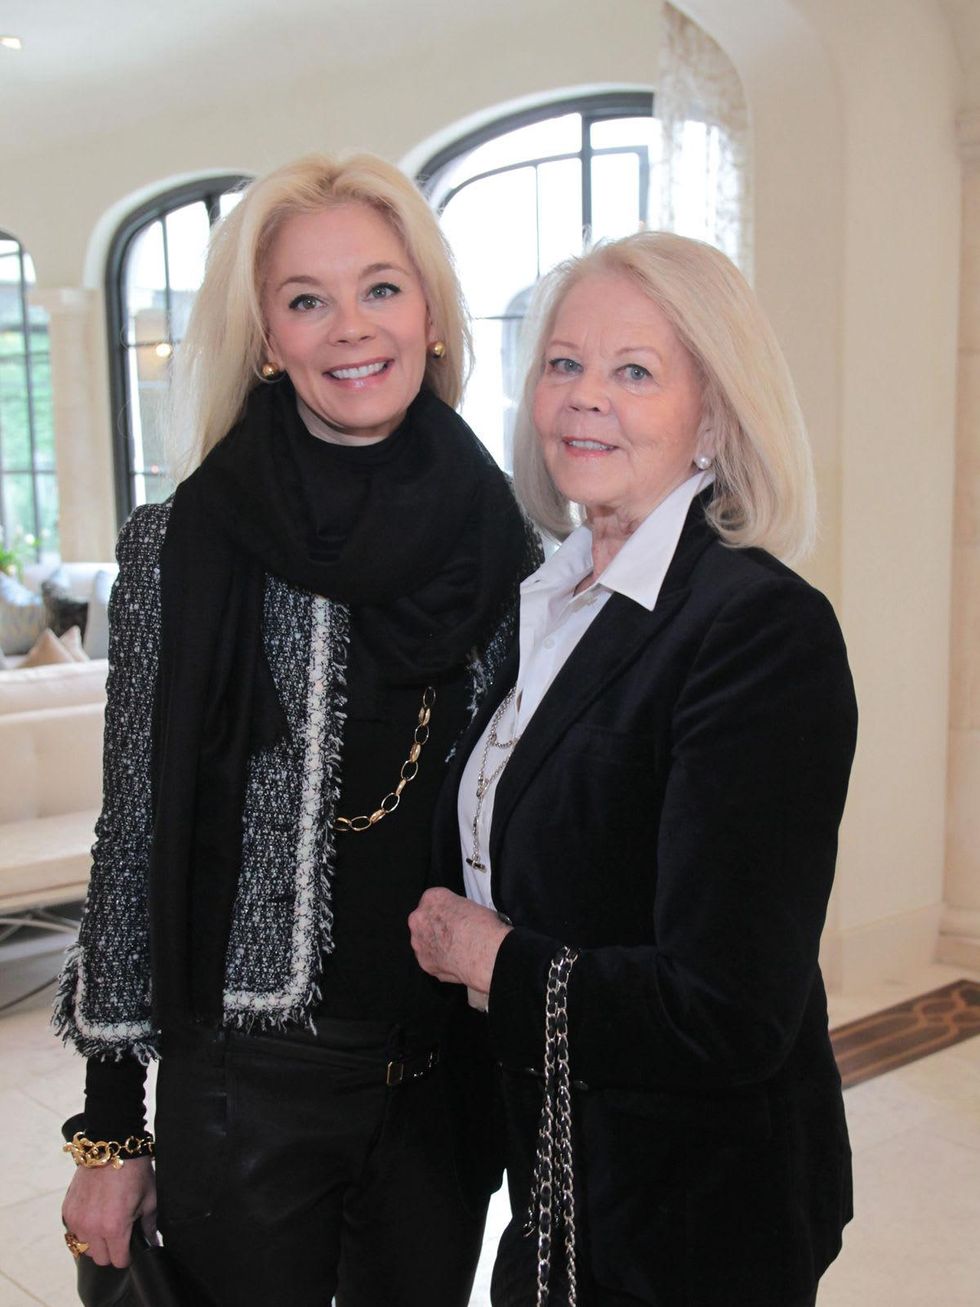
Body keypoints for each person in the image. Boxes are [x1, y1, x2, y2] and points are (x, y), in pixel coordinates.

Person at [55, 151, 539, 1307]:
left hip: (441, 1075)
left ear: (430, 314)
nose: (349, 327)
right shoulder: (185, 541)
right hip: (250, 1081)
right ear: (267, 337)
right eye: (305, 298)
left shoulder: (506, 538)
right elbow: (136, 833)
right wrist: (111, 1129)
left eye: (381, 287)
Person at [409, 230, 858, 1307]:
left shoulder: (758, 629)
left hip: (695, 1212)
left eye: (635, 371)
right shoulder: (544, 601)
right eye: (563, 362)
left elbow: (728, 1009)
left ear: (714, 416)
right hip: (564, 1175)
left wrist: (494, 959)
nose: (584, 397)